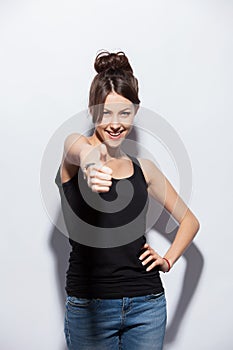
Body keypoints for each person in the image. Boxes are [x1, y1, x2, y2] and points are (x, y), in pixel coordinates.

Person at [55, 50, 200, 350]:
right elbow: (73, 145)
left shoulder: (143, 169)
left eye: (125, 112)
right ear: (93, 111)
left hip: (147, 305)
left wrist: (168, 258)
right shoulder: (77, 156)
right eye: (106, 112)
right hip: (88, 308)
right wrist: (91, 161)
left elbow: (190, 221)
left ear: (135, 111)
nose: (115, 123)